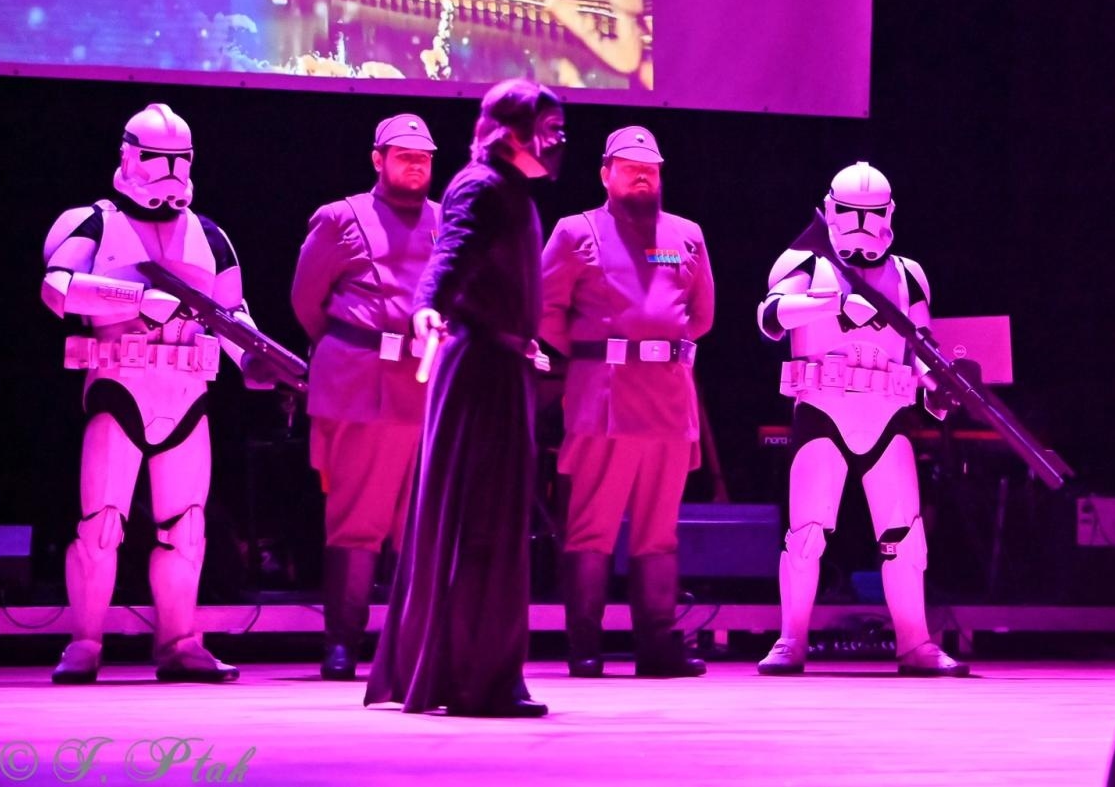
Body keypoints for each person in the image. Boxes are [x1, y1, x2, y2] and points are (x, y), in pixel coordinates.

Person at [41, 103, 275, 683]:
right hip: (119, 384)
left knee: (186, 524)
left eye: (179, 160)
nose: (168, 170)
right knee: (100, 522)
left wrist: (251, 356)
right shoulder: (93, 223)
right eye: (156, 159)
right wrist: (134, 301)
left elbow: (231, 312)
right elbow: (57, 287)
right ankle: (86, 641)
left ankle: (179, 640)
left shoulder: (211, 237)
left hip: (186, 393)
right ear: (128, 156)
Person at [363, 79, 565, 718]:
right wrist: (427, 307)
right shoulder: (481, 187)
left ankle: (480, 674)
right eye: (547, 127)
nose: (557, 140)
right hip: (478, 369)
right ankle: (474, 679)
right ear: (510, 131)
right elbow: (448, 256)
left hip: (498, 366)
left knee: (493, 522)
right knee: (480, 521)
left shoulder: (513, 191)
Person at [754, 162, 968, 676]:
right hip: (822, 410)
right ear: (830, 210)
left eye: (872, 215)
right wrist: (829, 305)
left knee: (903, 534)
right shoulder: (803, 263)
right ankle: (791, 639)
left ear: (889, 215)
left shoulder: (908, 275)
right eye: (849, 213)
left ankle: (914, 642)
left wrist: (934, 385)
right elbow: (769, 317)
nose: (861, 225)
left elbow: (921, 344)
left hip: (887, 414)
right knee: (806, 533)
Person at [540, 125, 713, 679]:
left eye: (652, 168)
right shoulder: (576, 231)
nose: (643, 175)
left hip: (667, 401)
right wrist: (597, 355)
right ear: (605, 173)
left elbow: (702, 315)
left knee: (659, 530)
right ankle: (584, 646)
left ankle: (657, 646)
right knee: (591, 526)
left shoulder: (684, 235)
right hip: (605, 400)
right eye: (631, 166)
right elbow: (546, 311)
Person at [290, 114, 442, 681]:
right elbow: (308, 301)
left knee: (418, 525)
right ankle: (342, 642)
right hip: (361, 386)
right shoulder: (340, 218)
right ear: (377, 158)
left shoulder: (447, 222)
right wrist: (358, 349)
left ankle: (408, 644)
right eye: (403, 154)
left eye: (424, 156)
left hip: (425, 389)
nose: (415, 163)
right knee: (356, 519)